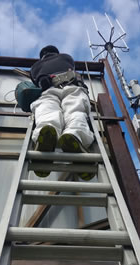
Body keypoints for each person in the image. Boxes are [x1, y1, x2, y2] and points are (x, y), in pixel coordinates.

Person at [30, 45, 94, 180]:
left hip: (47, 89)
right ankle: (74, 134)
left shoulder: (35, 66)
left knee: (46, 111)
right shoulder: (66, 57)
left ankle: (46, 134)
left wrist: (42, 77)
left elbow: (35, 76)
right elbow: (68, 64)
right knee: (75, 110)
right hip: (72, 85)